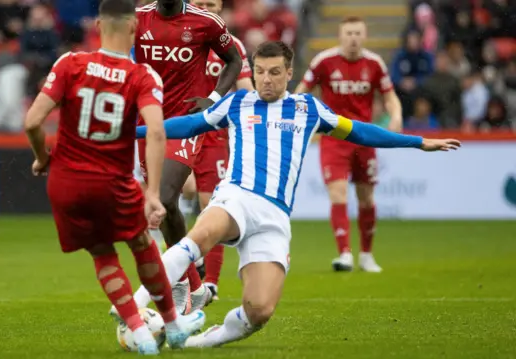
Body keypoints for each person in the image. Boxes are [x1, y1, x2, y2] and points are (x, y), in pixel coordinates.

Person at [134, 40, 460, 348]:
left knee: (259, 310)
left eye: (275, 72)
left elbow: (360, 130)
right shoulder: (236, 103)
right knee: (200, 237)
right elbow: (186, 125)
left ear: (290, 74)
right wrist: (132, 133)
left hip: (275, 215)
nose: (266, 79)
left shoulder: (308, 109)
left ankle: (193, 341)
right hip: (236, 195)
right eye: (260, 71)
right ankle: (133, 309)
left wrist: (417, 142)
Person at [23, 0, 205, 354]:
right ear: (134, 28)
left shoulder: (69, 63)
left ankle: (137, 330)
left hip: (66, 183)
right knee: (141, 244)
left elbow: (32, 122)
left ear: (99, 27)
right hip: (112, 181)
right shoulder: (142, 76)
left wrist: (42, 157)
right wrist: (152, 192)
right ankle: (172, 323)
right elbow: (155, 131)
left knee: (101, 253)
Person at [133, 0, 243, 313]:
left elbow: (233, 60)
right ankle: (194, 284)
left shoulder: (205, 22)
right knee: (159, 210)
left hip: (185, 123)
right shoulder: (138, 19)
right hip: (147, 123)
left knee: (166, 197)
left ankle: (182, 280)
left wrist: (213, 98)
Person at [294, 16, 403, 272]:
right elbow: (302, 92)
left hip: (364, 137)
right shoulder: (324, 61)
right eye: (349, 33)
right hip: (333, 137)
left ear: (364, 36)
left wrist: (396, 115)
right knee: (338, 192)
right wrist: (298, 119)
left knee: (366, 197)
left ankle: (367, 255)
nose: (353, 38)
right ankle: (344, 254)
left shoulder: (374, 63)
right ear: (340, 36)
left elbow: (390, 96)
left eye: (357, 33)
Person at [188, 0, 255, 301]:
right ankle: (191, 258)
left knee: (209, 203)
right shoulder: (181, 36)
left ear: (221, 8)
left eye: (211, 4)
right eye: (200, 3)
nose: (207, 8)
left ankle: (210, 283)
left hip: (215, 135)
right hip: (180, 127)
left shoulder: (233, 46)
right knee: (182, 192)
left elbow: (246, 90)